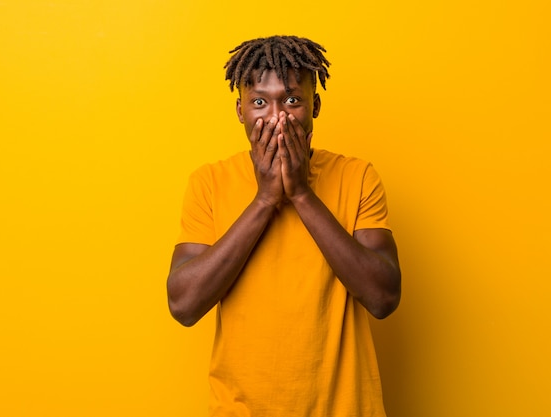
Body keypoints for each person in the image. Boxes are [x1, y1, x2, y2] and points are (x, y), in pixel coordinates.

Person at [167, 35, 401, 416]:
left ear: (316, 105)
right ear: (240, 110)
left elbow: (384, 298)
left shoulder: (358, 177)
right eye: (260, 102)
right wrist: (265, 200)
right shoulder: (209, 183)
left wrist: (302, 194)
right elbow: (183, 305)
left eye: (292, 100)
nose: (277, 117)